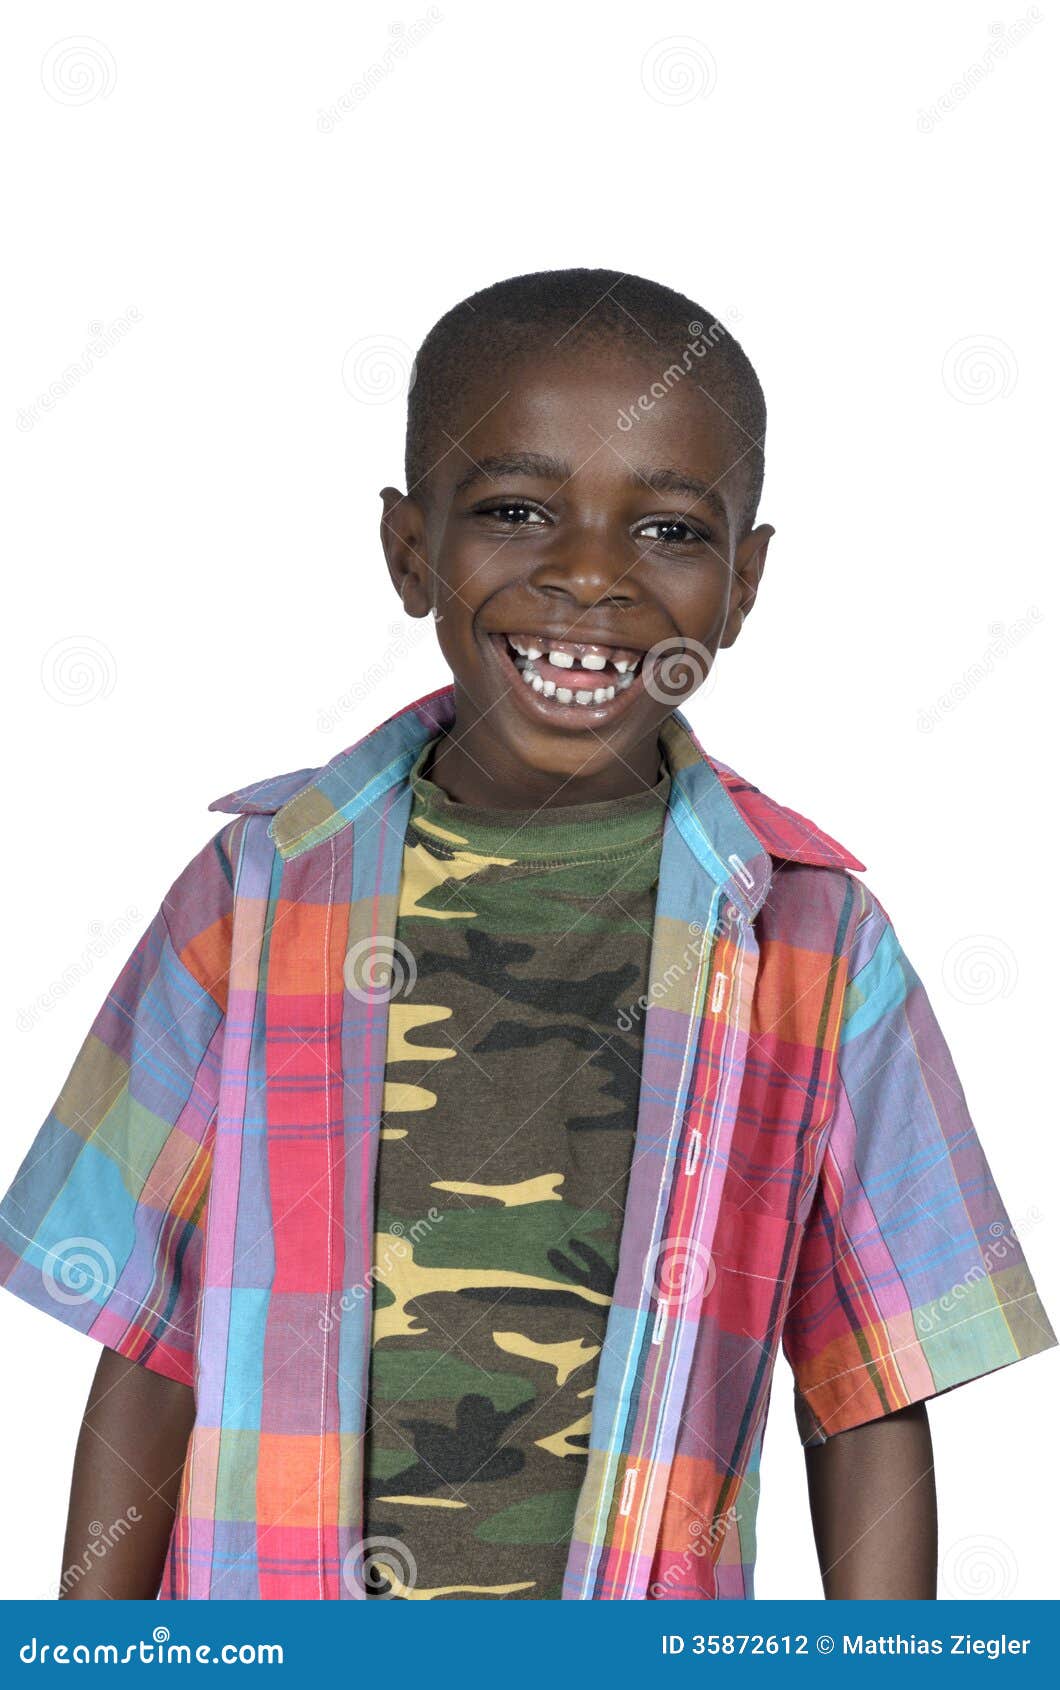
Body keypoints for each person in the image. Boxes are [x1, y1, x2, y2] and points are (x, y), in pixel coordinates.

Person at [1, 269, 1054, 1601]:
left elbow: (870, 1386)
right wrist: (90, 1653)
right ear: (409, 548)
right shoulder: (251, 899)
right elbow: (150, 1338)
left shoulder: (816, 947)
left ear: (744, 582)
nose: (591, 574)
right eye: (514, 510)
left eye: (669, 530)